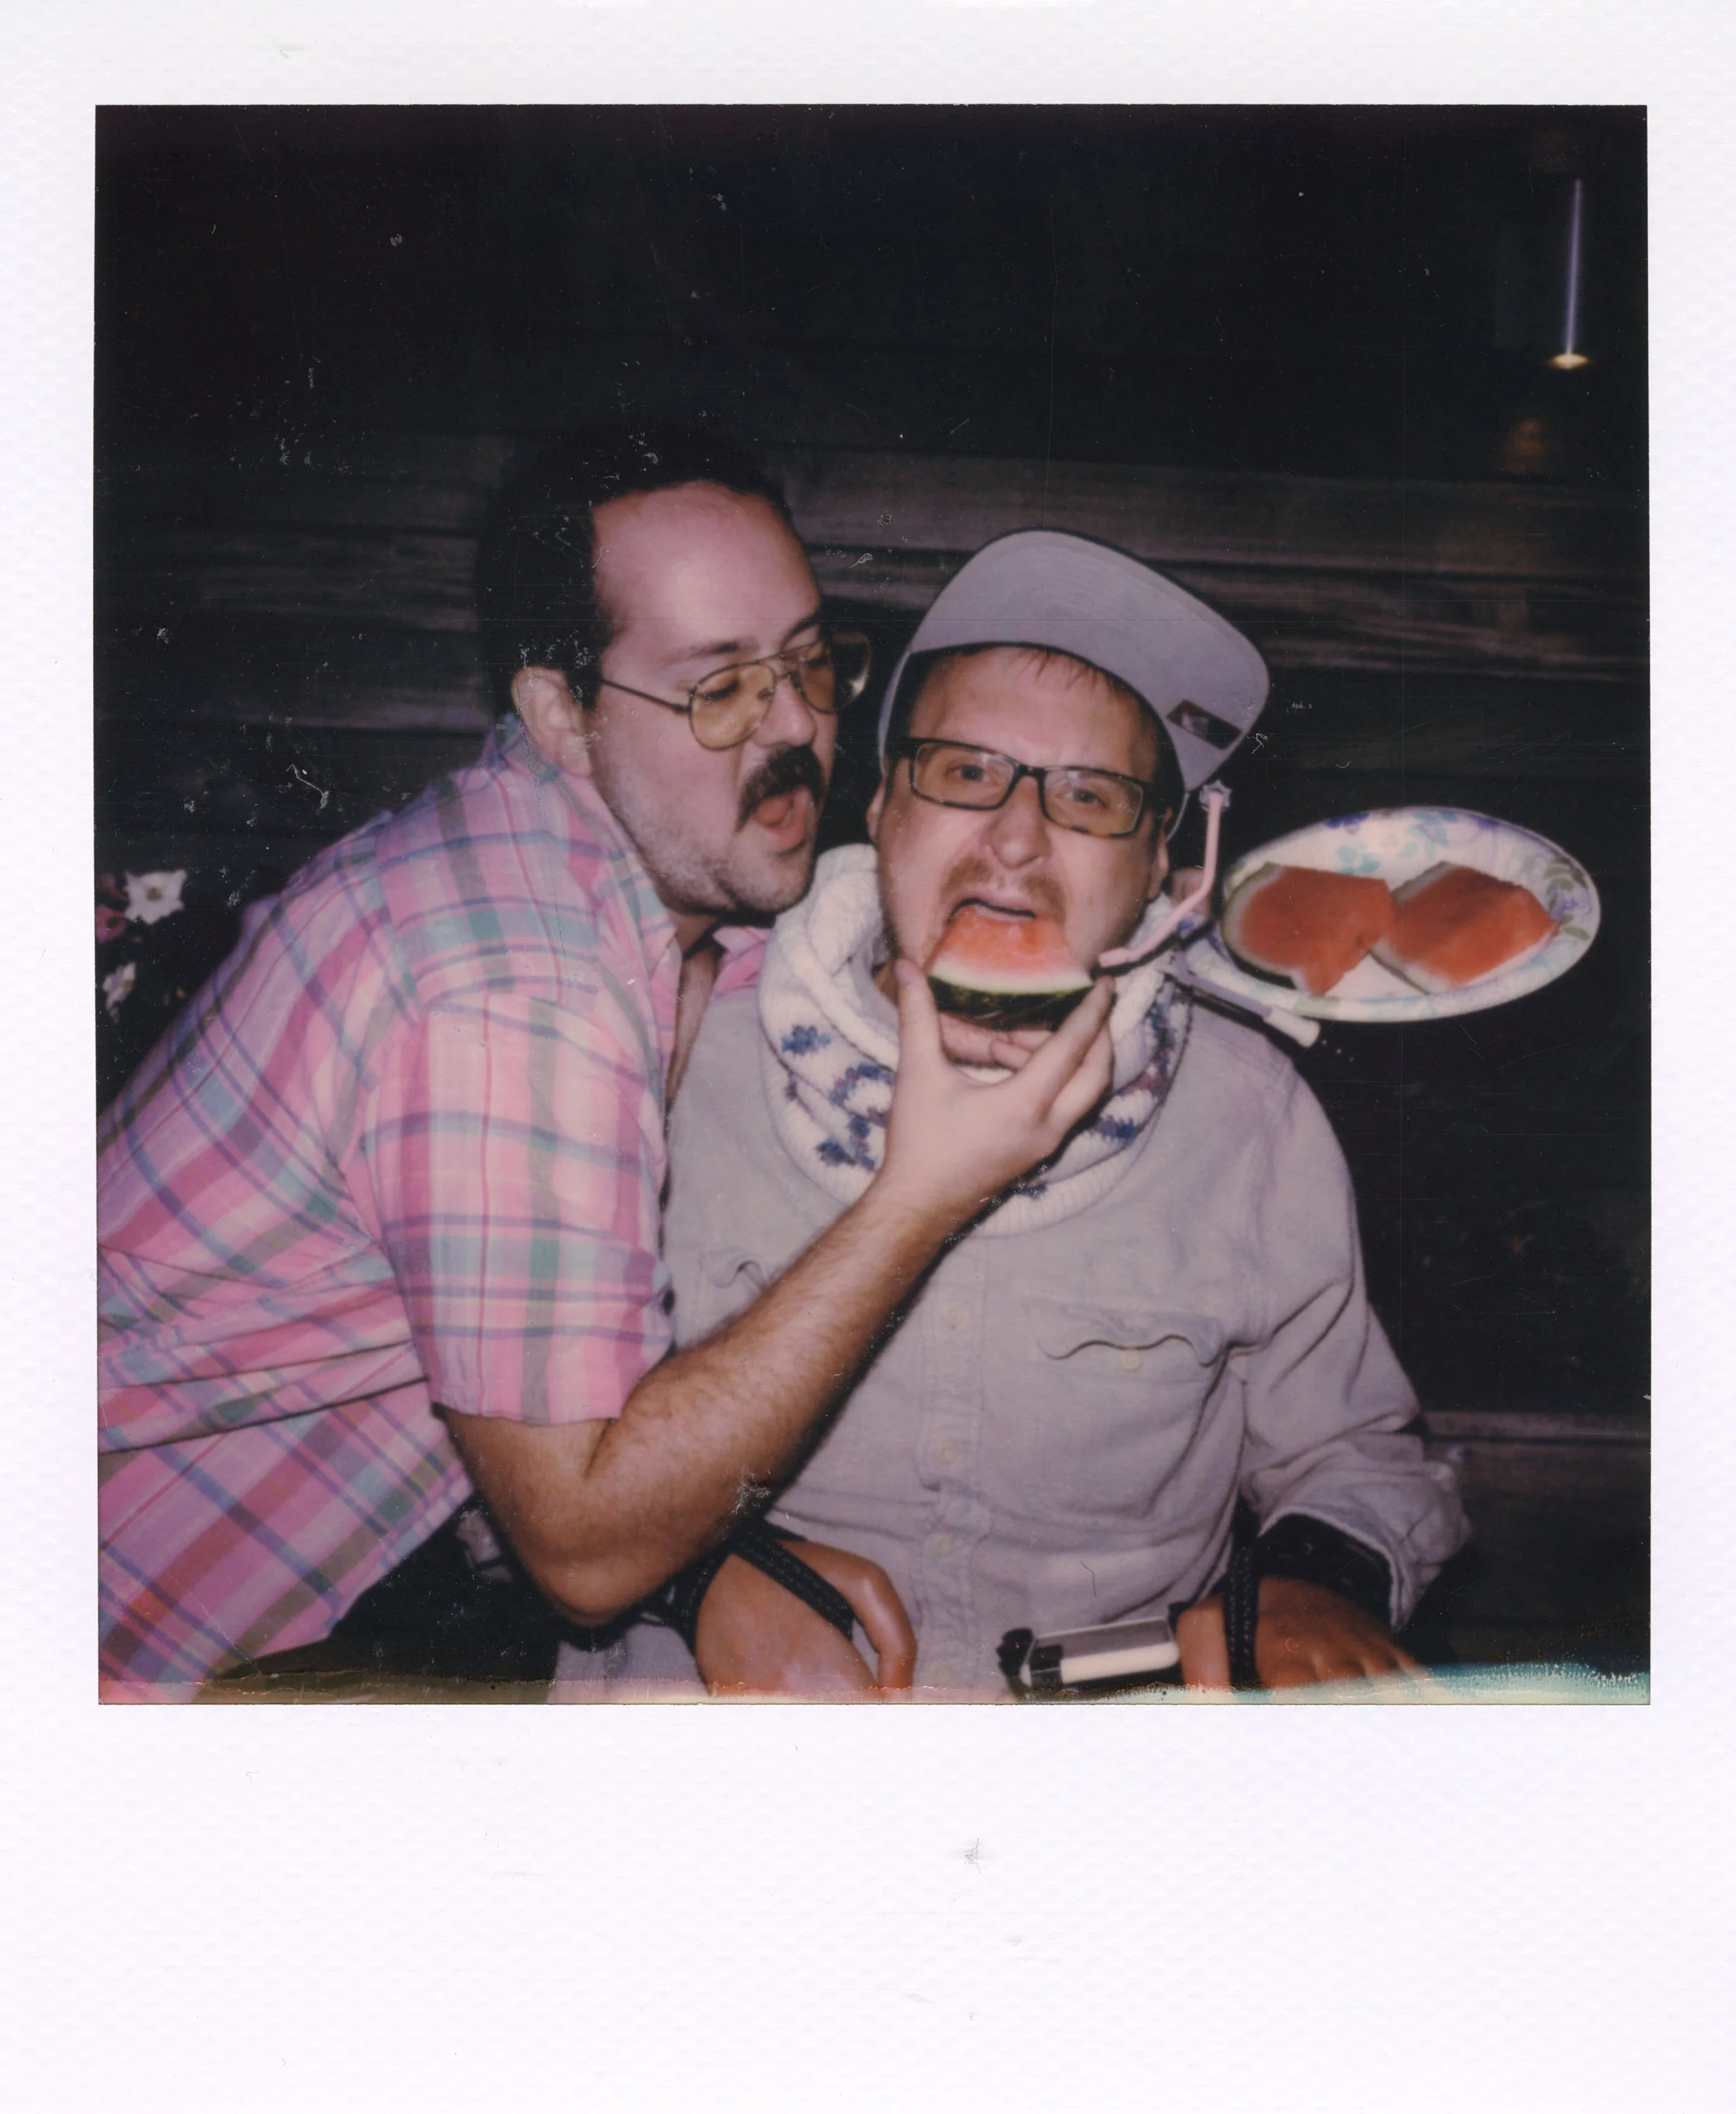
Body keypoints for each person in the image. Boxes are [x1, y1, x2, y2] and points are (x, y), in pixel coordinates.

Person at [97, 434, 1116, 1698]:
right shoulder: (518, 988)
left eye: (808, 660)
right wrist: (924, 1193)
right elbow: (582, 1548)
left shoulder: (646, 897)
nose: (797, 724)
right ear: (558, 717)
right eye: (719, 688)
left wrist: (706, 1563)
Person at [556, 529, 1468, 1698]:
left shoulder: (1250, 1114)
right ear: (881, 810)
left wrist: (1309, 1578)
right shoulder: (671, 1058)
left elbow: (1355, 1456)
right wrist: (695, 1577)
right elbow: (512, 1466)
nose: (1020, 837)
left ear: (1159, 872)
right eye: (965, 772)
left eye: (1092, 796)